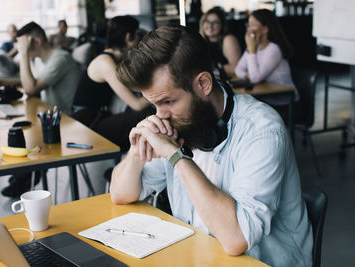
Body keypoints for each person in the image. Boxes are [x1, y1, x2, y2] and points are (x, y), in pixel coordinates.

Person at [110, 25, 313, 267]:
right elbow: (121, 194)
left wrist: (177, 157)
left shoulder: (262, 131)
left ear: (203, 84)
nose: (160, 115)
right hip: (199, 256)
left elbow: (237, 238)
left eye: (168, 101)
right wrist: (137, 151)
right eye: (154, 104)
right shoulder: (177, 122)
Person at [1, 21, 81, 198]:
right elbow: (29, 81)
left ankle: (26, 175)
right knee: (19, 129)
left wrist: (22, 55)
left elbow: (30, 88)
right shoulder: (40, 60)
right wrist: (3, 82)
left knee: (28, 134)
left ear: (35, 42)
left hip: (65, 121)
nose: (21, 49)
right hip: (47, 116)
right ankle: (22, 174)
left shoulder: (60, 59)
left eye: (23, 44)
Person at [72, 15, 153, 152]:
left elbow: (134, 86)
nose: (140, 38)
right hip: (88, 124)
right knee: (147, 116)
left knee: (144, 118)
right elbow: (137, 104)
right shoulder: (105, 63)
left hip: (98, 117)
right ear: (129, 37)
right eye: (138, 34)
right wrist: (161, 94)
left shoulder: (114, 59)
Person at [235, 9, 298, 106]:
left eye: (252, 25)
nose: (248, 30)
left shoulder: (274, 49)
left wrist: (252, 50)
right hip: (267, 101)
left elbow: (255, 78)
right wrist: (247, 75)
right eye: (248, 25)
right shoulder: (253, 47)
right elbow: (238, 69)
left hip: (285, 104)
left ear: (265, 29)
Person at [199, 7, 241, 80]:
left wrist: (208, 70)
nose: (210, 25)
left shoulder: (228, 39)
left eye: (215, 22)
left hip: (228, 84)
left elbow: (236, 68)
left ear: (222, 25)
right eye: (207, 21)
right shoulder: (202, 41)